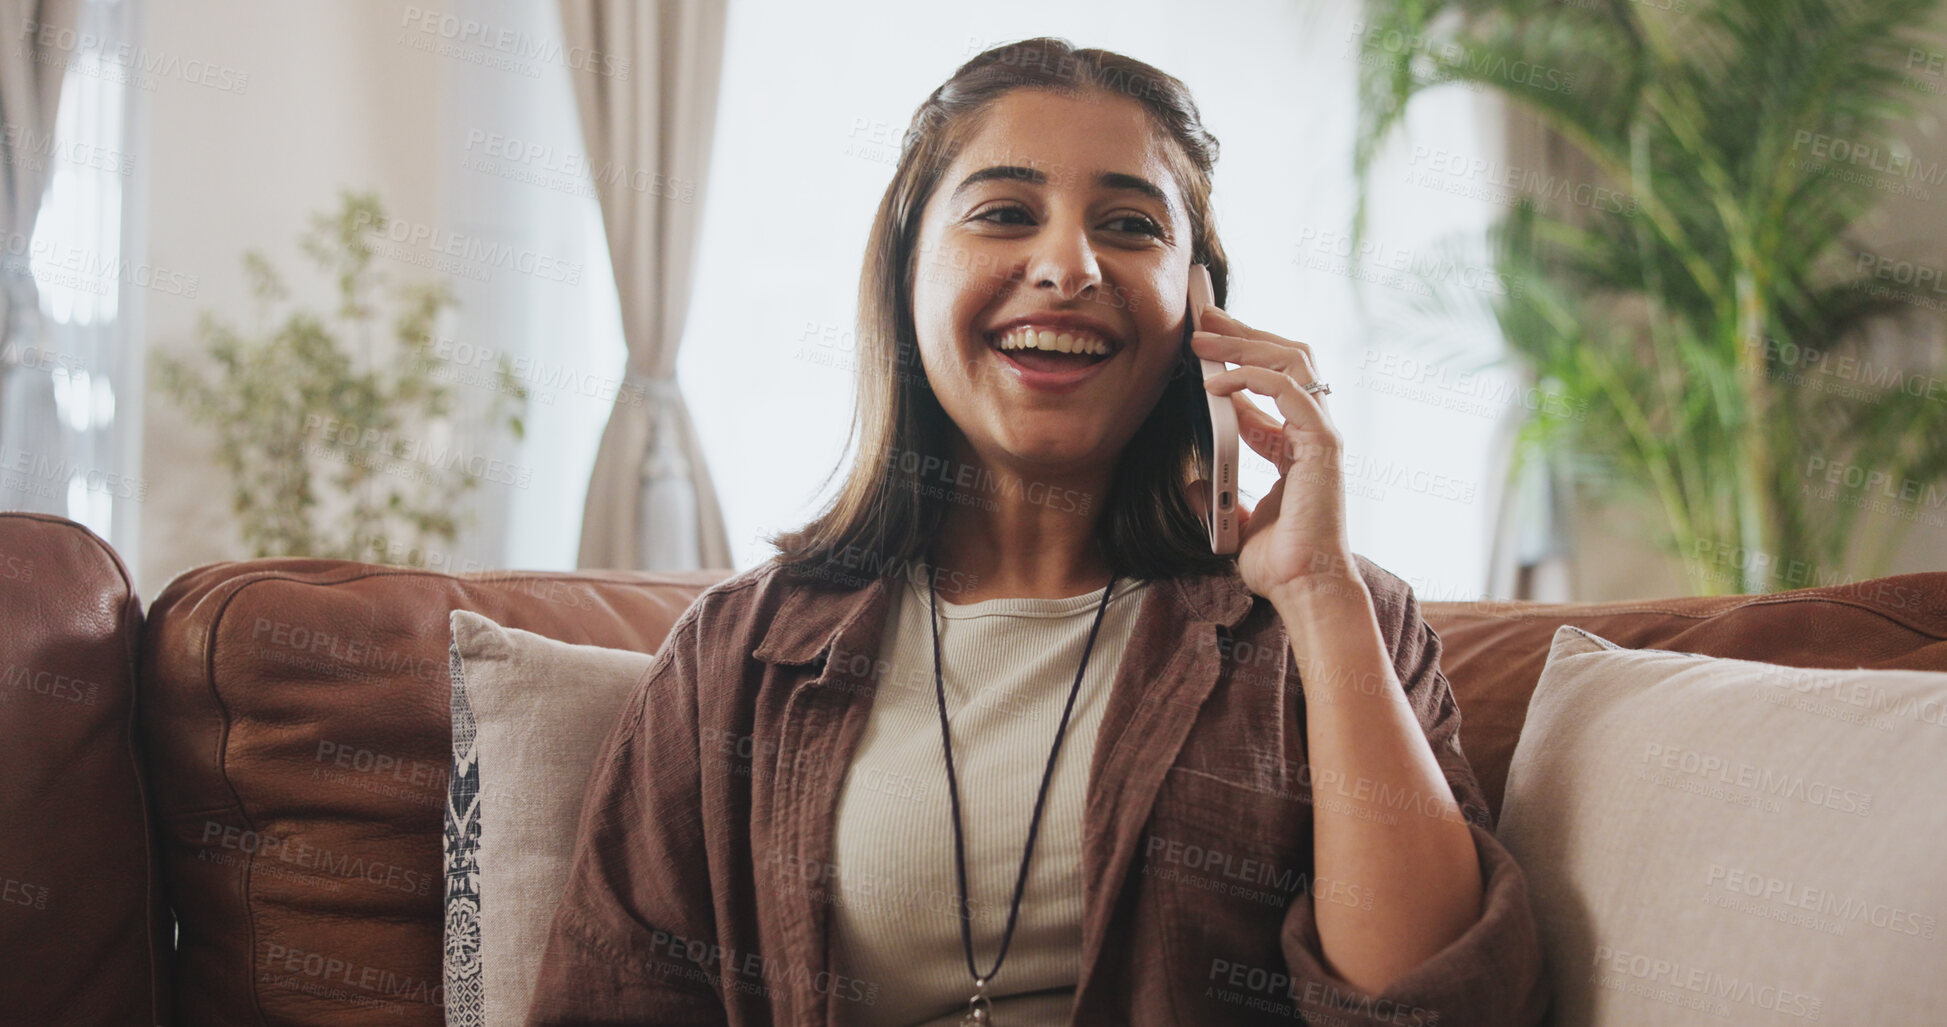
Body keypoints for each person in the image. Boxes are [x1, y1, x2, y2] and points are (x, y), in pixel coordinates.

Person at [526, 36, 1547, 1027]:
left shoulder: (1334, 627)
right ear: (906, 276)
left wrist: (1321, 593)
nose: (1069, 265)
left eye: (1133, 227)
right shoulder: (737, 654)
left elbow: (1435, 1006)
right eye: (1007, 213)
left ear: (1202, 308)